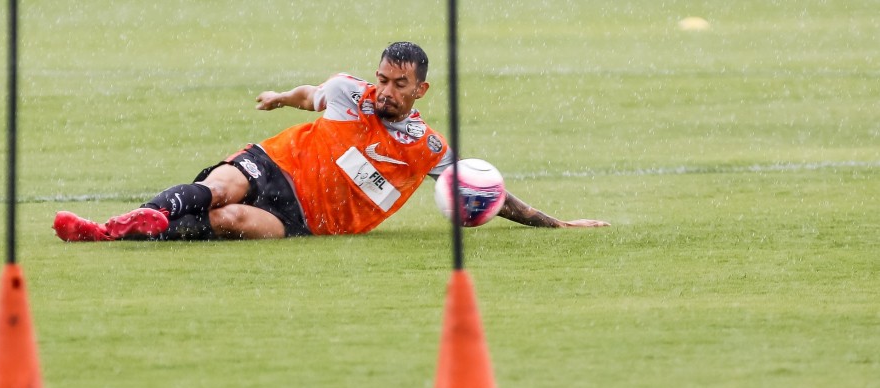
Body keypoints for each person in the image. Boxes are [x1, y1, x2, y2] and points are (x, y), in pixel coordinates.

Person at [53, 42, 609, 243]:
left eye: (399, 85)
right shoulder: (350, 92)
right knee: (221, 188)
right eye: (383, 79)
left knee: (234, 223)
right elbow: (311, 93)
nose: (386, 92)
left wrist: (556, 224)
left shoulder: (428, 148)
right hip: (278, 162)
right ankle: (113, 227)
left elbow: (489, 193)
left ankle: (148, 230)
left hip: (309, 217)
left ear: (421, 88)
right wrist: (278, 96)